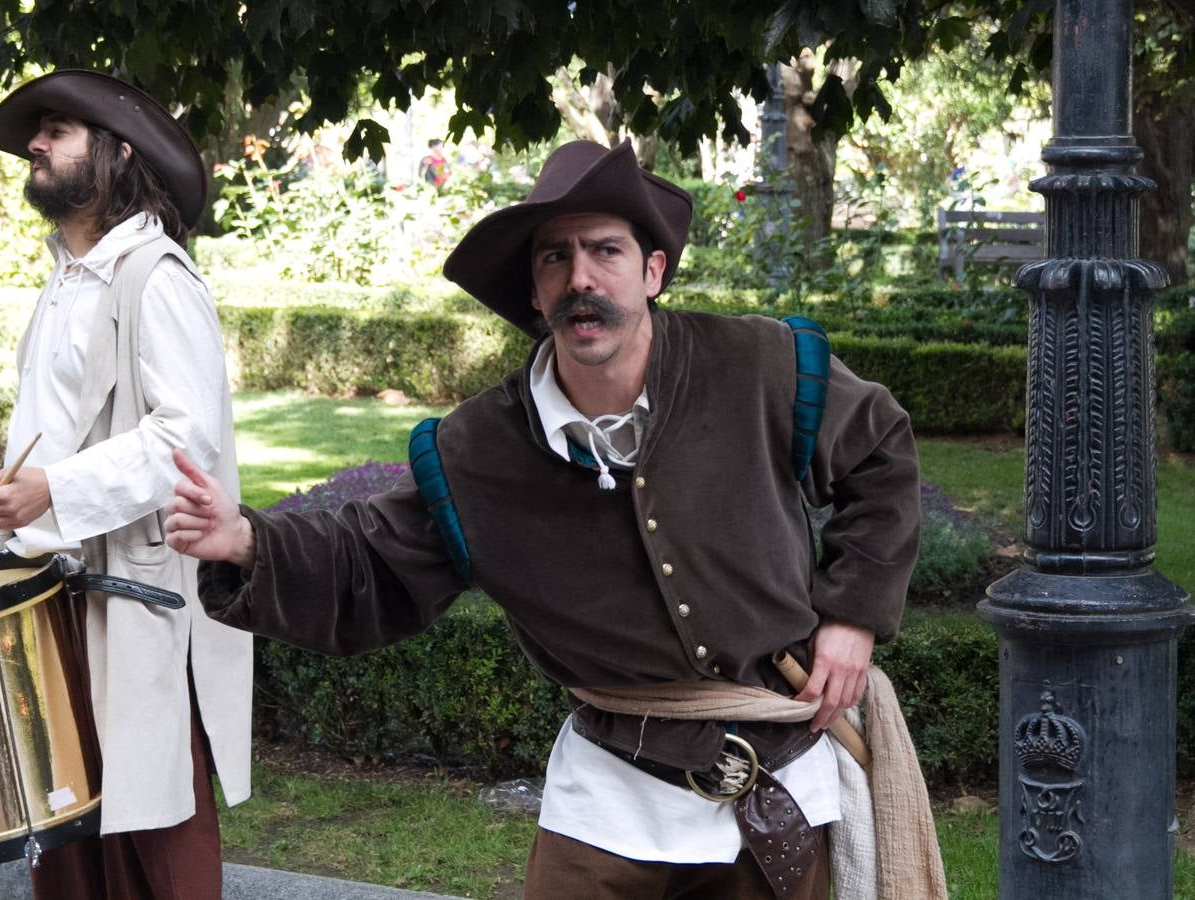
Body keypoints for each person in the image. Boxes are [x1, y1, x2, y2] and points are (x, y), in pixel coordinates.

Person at [166, 140, 930, 899]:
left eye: (606, 251)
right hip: (609, 797)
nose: (581, 279)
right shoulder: (478, 449)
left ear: (653, 271)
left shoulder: (760, 365)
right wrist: (246, 543)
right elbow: (372, 560)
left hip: (777, 783)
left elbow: (879, 454)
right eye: (554, 259)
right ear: (534, 293)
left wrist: (853, 615)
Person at [0, 69, 251, 900]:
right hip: (52, 596)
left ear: (116, 155)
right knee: (68, 840)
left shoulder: (158, 278)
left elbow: (188, 440)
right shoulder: (66, 281)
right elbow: (57, 433)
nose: (35, 145)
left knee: (157, 841)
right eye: (39, 133)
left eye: (58, 132)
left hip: (133, 602)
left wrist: (54, 492)